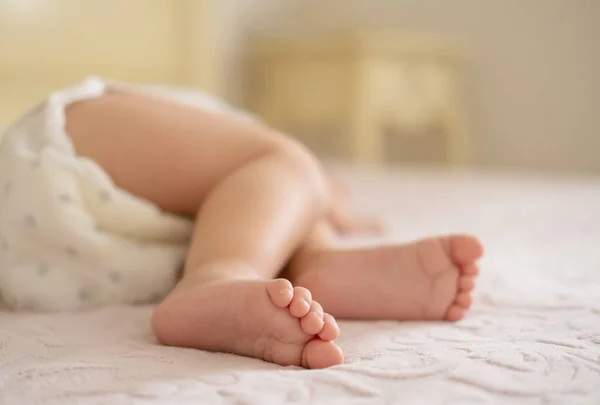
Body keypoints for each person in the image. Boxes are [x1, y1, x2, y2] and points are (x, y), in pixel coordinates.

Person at [0, 78, 483, 369]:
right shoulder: (239, 131)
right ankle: (227, 274)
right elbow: (296, 177)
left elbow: (267, 202)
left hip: (46, 256)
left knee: (272, 196)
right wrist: (318, 186)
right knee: (286, 163)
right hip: (55, 151)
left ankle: (311, 267)